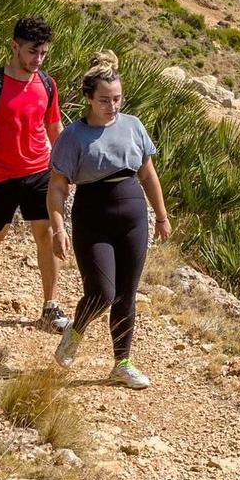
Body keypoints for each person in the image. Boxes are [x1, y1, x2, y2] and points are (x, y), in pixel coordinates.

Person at [49, 50, 172, 387]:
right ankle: (76, 330)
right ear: (89, 98)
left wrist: (161, 216)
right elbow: (57, 188)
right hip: (92, 217)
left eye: (117, 99)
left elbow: (148, 175)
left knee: (126, 293)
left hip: (133, 214)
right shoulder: (73, 136)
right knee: (102, 292)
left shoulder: (133, 126)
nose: (112, 106)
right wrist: (58, 228)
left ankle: (122, 363)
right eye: (104, 99)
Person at [0, 16, 71, 331]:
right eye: (33, 52)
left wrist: (65, 167)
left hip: (39, 172)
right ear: (15, 47)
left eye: (43, 54)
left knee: (45, 235)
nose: (38, 60)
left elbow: (54, 127)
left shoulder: (47, 84)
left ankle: (50, 307)